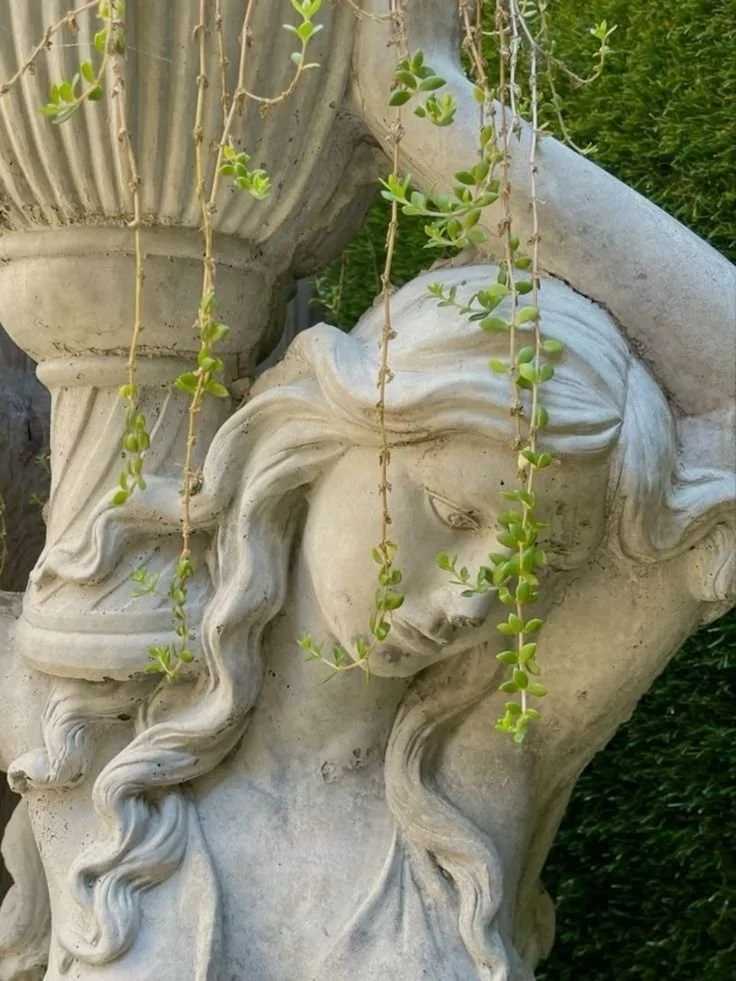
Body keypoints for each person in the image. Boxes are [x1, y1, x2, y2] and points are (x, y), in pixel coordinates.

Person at [4, 264, 731, 979]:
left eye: (535, 566)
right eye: (453, 514)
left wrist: (462, 142)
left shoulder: (473, 777)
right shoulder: (77, 717)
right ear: (330, 428)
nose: (475, 598)